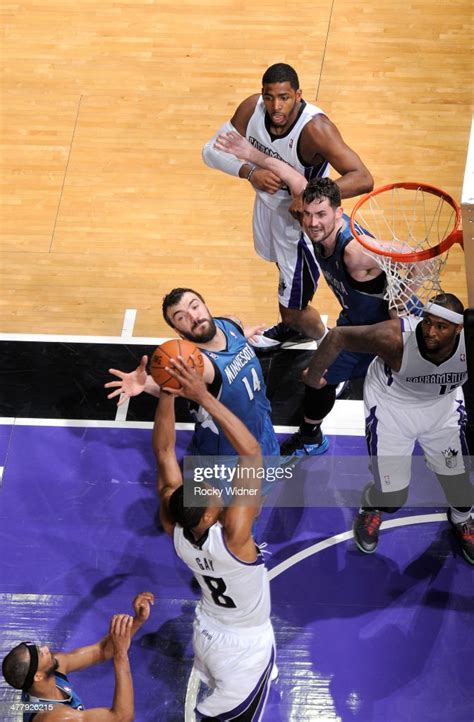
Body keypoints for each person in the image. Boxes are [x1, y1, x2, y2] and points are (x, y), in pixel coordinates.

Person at [215, 133, 389, 456]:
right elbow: (284, 170)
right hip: (353, 321)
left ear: (339, 213)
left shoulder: (355, 253)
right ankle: (311, 436)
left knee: (374, 402)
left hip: (380, 330)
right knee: (313, 377)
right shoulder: (311, 216)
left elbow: (399, 255)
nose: (312, 222)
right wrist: (247, 152)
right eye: (308, 215)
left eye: (321, 215)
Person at [202, 62, 374, 346]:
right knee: (281, 271)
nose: (276, 106)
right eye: (270, 97)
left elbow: (363, 178)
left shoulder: (316, 129)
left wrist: (309, 199)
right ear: (262, 95)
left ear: (298, 95)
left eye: (284, 97)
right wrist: (250, 173)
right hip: (267, 206)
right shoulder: (251, 109)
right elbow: (210, 151)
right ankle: (293, 329)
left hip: (301, 224)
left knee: (293, 307)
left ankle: (328, 344)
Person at [303, 293, 474, 564]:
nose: (430, 332)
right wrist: (314, 376)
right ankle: (372, 504)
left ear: (459, 329)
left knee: (462, 490)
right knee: (393, 497)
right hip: (393, 408)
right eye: (428, 322)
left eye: (441, 327)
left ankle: (462, 519)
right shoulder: (394, 338)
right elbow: (338, 337)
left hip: (441, 407)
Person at [154, 357, 276, 720]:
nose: (213, 486)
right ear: (208, 514)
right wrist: (201, 396)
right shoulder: (235, 536)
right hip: (243, 648)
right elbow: (252, 452)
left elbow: (163, 453)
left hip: (206, 631)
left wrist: (166, 394)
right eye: (209, 490)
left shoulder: (175, 527)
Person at [105, 287, 280, 457]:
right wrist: (146, 383)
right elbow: (172, 387)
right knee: (244, 487)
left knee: (270, 483)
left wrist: (244, 334)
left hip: (263, 429)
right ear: (177, 331)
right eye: (181, 317)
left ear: (206, 306)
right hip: (225, 454)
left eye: (195, 307)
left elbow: (236, 336)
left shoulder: (231, 323)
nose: (194, 317)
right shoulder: (193, 363)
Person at [2, 592, 155, 721]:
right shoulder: (54, 716)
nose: (46, 648)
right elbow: (122, 718)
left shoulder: (54, 666)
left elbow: (102, 650)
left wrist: (137, 620)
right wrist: (121, 655)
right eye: (42, 654)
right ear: (38, 676)